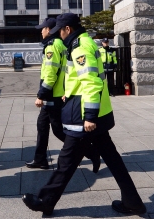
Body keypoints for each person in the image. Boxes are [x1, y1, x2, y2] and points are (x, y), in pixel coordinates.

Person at [22, 13, 146, 216]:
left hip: (84, 116)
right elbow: (80, 80)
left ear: (67, 29)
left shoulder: (80, 47)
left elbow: (91, 82)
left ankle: (46, 200)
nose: (58, 36)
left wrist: (89, 115)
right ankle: (133, 202)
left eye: (59, 32)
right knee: (112, 160)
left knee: (66, 161)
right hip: (93, 111)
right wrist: (69, 95)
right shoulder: (83, 43)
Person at [27, 18, 100, 173]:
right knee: (43, 126)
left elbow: (50, 75)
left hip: (52, 96)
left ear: (50, 29)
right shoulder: (60, 44)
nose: (41, 31)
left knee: (58, 130)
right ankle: (40, 159)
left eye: (43, 28)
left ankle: (90, 152)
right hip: (57, 94)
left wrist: (41, 95)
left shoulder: (52, 47)